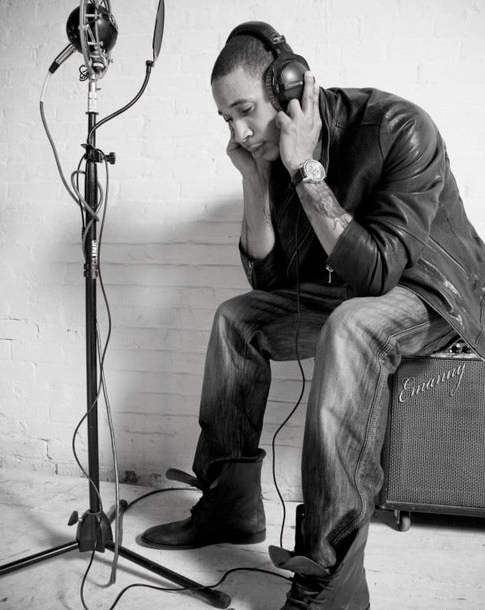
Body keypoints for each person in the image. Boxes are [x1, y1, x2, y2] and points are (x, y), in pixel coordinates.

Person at [140, 21, 485, 610]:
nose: (239, 133)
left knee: (352, 324)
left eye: (246, 111)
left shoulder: (400, 128)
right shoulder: (271, 153)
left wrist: (305, 171)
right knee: (236, 320)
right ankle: (230, 506)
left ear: (290, 86)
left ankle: (332, 579)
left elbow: (378, 274)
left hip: (432, 292)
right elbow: (274, 284)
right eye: (226, 119)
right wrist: (257, 182)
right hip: (352, 289)